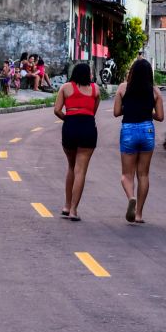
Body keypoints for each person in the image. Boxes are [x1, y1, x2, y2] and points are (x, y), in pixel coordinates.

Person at [113, 58, 164, 224]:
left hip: (129, 129)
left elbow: (116, 112)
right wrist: (148, 112)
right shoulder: (155, 92)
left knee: (126, 175)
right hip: (147, 129)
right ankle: (139, 214)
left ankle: (131, 197)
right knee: (143, 174)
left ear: (132, 72)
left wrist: (129, 107)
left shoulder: (123, 88)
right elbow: (161, 117)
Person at [53, 62, 101, 221]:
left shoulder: (65, 88)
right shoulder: (95, 89)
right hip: (88, 127)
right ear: (89, 74)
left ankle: (66, 206)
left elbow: (57, 110)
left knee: (71, 167)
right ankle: (74, 210)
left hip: (70, 127)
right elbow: (93, 111)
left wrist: (68, 119)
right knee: (81, 171)